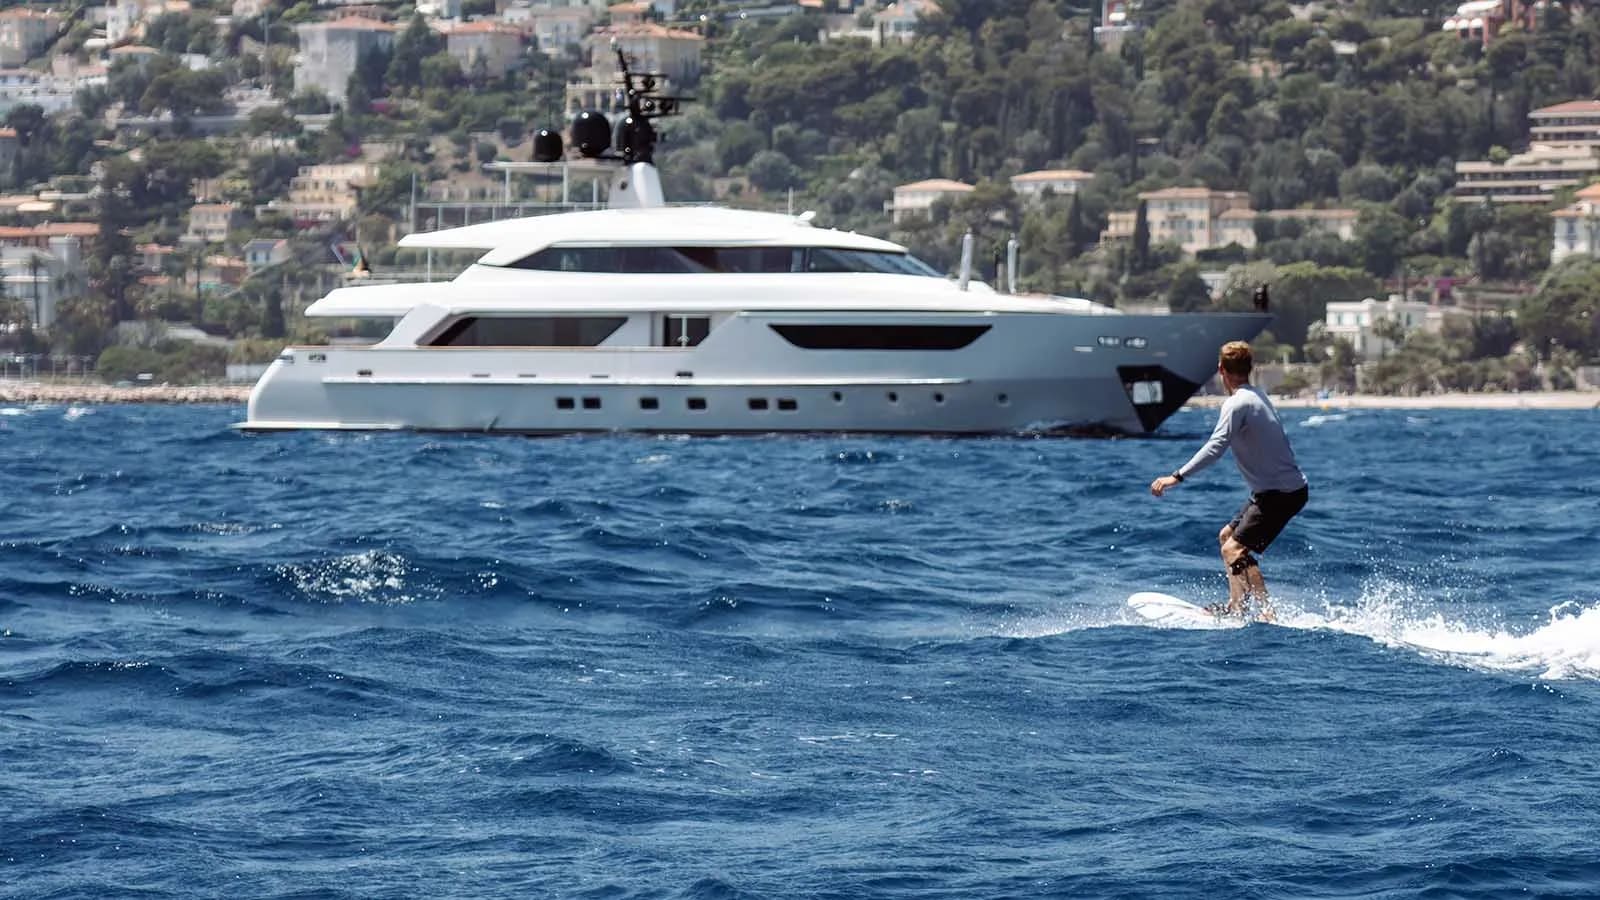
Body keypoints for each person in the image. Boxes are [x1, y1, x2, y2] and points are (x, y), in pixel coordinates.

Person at [1149, 341, 1308, 620]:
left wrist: (1176, 477)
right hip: (1276, 490)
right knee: (1227, 537)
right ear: (1250, 369)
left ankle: (1268, 614)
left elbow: (1215, 448)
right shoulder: (1256, 395)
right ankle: (1237, 607)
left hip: (1280, 493)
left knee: (1233, 549)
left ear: (1220, 370)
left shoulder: (1237, 404)